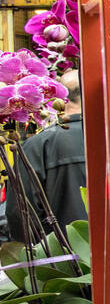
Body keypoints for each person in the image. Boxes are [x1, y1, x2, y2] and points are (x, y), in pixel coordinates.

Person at [5, 71, 86, 244]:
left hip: (63, 262)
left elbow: (20, 214)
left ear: (58, 98)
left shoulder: (37, 146)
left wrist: (43, 252)